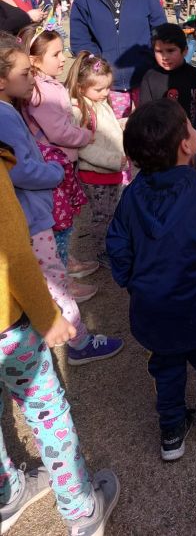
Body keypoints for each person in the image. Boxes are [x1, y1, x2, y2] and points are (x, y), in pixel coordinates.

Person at [107, 99, 196, 460]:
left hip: (151, 309)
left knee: (165, 368)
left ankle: (172, 431)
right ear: (186, 144)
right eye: (191, 127)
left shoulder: (131, 196)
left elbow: (116, 244)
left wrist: (133, 282)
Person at [0, 138, 120, 535]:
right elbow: (14, 254)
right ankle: (81, 509)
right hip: (7, 326)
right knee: (45, 409)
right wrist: (47, 316)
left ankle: (6, 494)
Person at [0, 32, 124, 366]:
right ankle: (79, 341)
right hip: (32, 213)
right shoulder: (6, 115)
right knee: (55, 279)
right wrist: (54, 171)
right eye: (26, 73)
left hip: (26, 212)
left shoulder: (12, 109)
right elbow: (21, 169)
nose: (33, 80)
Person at [20, 25, 99, 288]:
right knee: (60, 224)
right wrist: (85, 136)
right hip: (56, 164)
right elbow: (60, 131)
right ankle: (63, 281)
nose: (63, 58)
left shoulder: (43, 85)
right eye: (55, 54)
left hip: (59, 162)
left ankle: (66, 263)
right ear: (34, 60)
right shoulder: (42, 92)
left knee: (64, 221)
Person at [70, 0, 167, 121]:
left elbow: (160, 29)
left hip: (144, 77)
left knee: (150, 126)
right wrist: (97, 68)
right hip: (106, 83)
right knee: (112, 133)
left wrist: (155, 62)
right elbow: (80, 38)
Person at [65, 51, 126, 266]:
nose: (105, 92)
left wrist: (123, 124)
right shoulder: (79, 110)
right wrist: (113, 160)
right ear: (81, 87)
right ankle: (102, 251)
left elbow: (105, 132)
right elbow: (83, 147)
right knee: (102, 215)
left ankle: (110, 246)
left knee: (111, 212)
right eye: (99, 89)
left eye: (107, 87)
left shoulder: (99, 104)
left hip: (111, 173)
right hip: (95, 175)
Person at [139, 23, 196, 131]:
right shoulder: (150, 77)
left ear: (185, 51)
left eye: (170, 50)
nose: (165, 57)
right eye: (159, 51)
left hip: (192, 137)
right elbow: (144, 112)